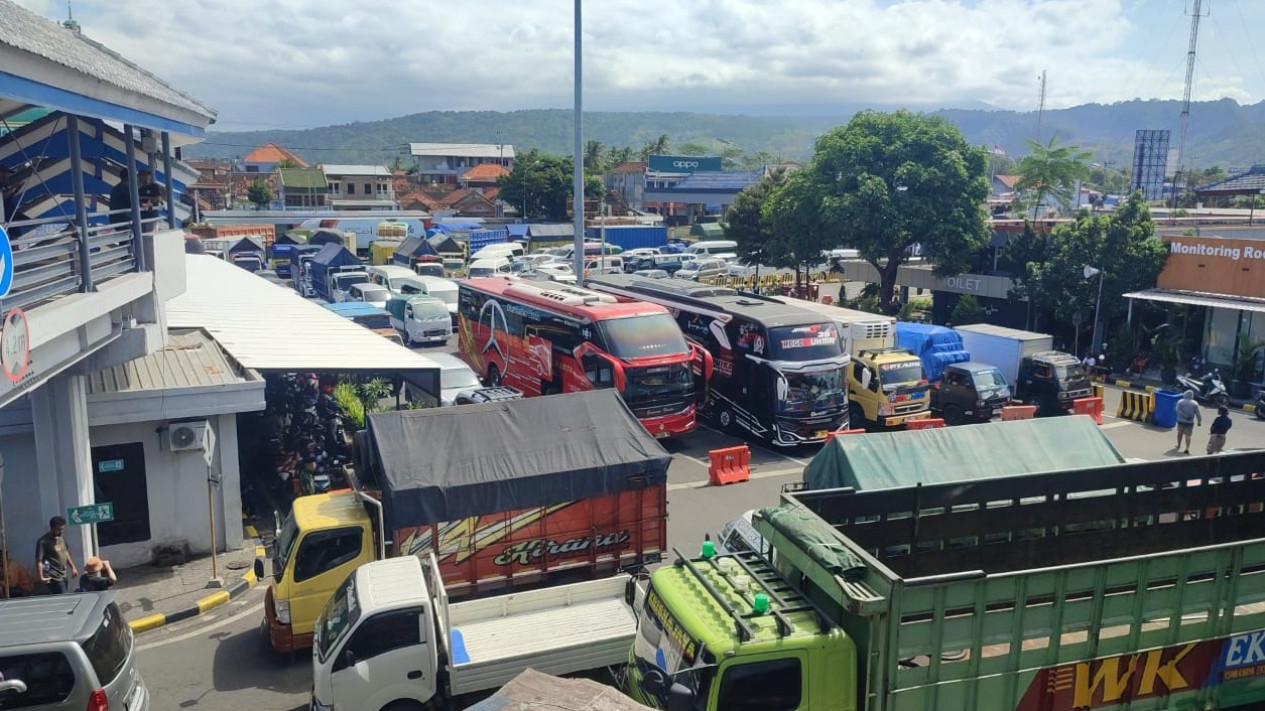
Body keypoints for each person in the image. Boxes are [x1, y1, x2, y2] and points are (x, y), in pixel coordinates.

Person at [35, 515, 77, 594]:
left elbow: (65, 552)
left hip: (63, 575)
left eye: (62, 529)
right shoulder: (43, 542)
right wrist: (41, 577)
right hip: (53, 576)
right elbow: (39, 561)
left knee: (64, 596)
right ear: (52, 528)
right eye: (58, 529)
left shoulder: (61, 538)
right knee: (64, 597)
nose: (61, 531)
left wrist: (73, 567)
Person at [1175, 389, 1202, 455]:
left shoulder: (1180, 401)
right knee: (1188, 435)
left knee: (1180, 433)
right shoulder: (1195, 403)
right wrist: (1199, 421)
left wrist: (1184, 415)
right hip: (1190, 422)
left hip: (1181, 421)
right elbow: (1198, 413)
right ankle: (1187, 448)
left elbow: (1177, 410)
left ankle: (1178, 445)